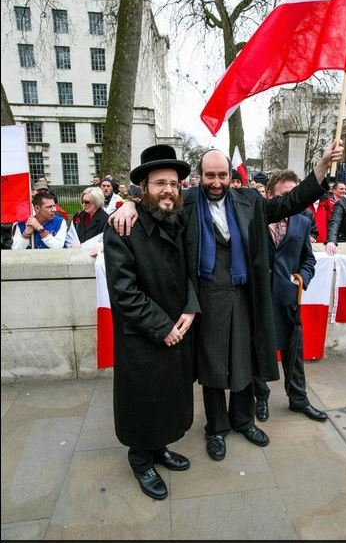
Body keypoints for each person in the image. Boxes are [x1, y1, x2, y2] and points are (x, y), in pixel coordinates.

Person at [109, 141, 345, 462]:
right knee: (213, 366)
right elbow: (157, 204)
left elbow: (289, 202)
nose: (216, 182)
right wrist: (129, 204)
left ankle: (243, 421)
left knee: (244, 362)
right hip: (205, 299)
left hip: (245, 296)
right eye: (210, 175)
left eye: (222, 175)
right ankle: (216, 429)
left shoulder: (251, 201)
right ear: (200, 176)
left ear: (231, 176)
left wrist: (320, 168)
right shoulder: (186, 201)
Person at [103, 145, 200, 500]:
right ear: (143, 187)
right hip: (144, 334)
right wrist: (164, 328)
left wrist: (190, 308)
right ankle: (140, 458)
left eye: (174, 183)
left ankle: (158, 448)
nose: (168, 190)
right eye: (160, 183)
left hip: (178, 326)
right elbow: (124, 292)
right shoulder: (121, 227)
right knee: (143, 400)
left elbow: (189, 269)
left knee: (168, 397)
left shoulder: (179, 217)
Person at [254, 170, 327, 423]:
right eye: (287, 195)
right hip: (259, 300)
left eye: (297, 194)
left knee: (294, 353)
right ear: (271, 194)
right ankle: (260, 399)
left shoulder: (304, 220)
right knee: (258, 352)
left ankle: (298, 399)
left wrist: (302, 279)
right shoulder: (256, 217)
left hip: (288, 299)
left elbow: (308, 259)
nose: (294, 200)